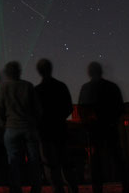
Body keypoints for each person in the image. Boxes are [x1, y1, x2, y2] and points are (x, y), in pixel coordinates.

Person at [78, 62, 129, 193]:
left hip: (95, 130)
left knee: (96, 161)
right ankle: (126, 186)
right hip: (110, 127)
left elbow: (82, 110)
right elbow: (120, 108)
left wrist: (88, 123)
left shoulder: (86, 88)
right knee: (117, 158)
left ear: (89, 73)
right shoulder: (112, 87)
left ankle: (97, 188)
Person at [0, 61, 43, 193]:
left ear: (7, 73)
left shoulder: (4, 88)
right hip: (29, 127)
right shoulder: (28, 86)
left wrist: (3, 125)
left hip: (11, 128)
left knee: (13, 162)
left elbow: (0, 109)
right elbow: (38, 109)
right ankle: (36, 188)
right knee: (34, 160)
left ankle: (16, 189)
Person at [35, 59, 78, 193]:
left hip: (44, 132)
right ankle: (73, 189)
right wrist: (59, 118)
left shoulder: (37, 90)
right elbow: (69, 108)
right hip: (60, 129)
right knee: (65, 163)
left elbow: (34, 112)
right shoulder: (61, 86)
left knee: (50, 165)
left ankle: (58, 190)